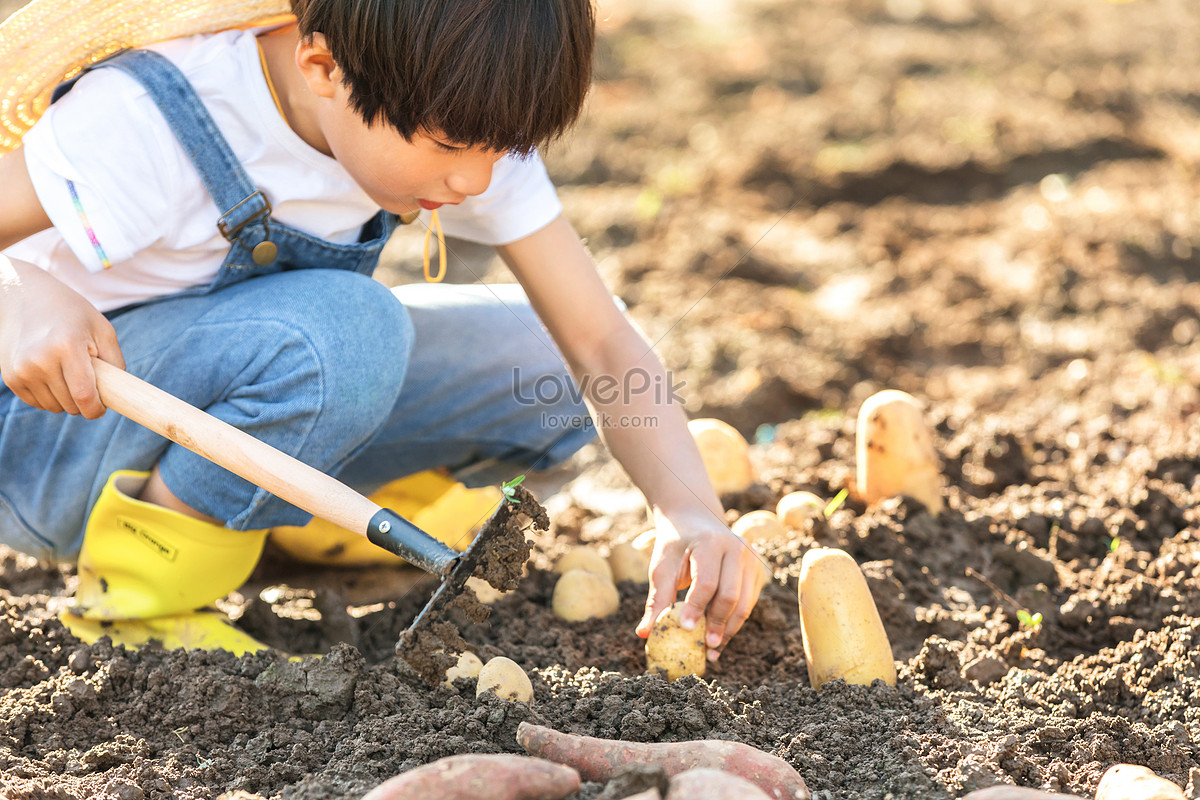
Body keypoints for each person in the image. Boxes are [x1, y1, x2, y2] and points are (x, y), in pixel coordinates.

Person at [0, 0, 764, 659]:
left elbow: (600, 342)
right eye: (452, 147)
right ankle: (142, 608)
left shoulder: (444, 103)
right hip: (52, 437)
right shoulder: (152, 119)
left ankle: (276, 518)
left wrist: (689, 510)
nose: (476, 182)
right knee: (349, 334)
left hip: (233, 389)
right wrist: (20, 291)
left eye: (505, 150)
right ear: (324, 68)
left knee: (544, 360)